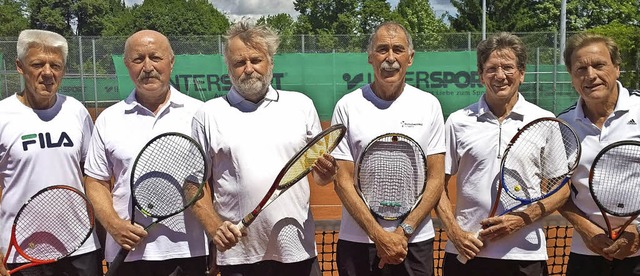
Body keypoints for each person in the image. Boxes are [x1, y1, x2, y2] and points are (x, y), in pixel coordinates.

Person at [189, 21, 337, 276]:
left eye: (256, 60)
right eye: (239, 62)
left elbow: (319, 178)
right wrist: (215, 228)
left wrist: (326, 172)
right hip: (239, 256)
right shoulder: (208, 114)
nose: (248, 69)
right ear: (229, 67)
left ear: (270, 61)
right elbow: (193, 183)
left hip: (298, 251)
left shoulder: (301, 106)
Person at [436, 32, 570, 276]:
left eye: (508, 67)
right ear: (480, 74)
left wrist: (522, 219)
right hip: (467, 252)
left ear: (521, 72)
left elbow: (562, 189)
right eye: (491, 68)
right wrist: (456, 234)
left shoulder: (545, 120)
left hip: (525, 256)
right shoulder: (457, 122)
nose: (500, 76)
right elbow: (437, 184)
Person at [84, 30, 209, 275]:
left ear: (171, 62)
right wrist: (114, 225)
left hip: (189, 251)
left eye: (156, 57)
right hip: (128, 253)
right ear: (127, 65)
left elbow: (212, 181)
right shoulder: (109, 118)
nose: (148, 66)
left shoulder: (201, 114)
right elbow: (96, 181)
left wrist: (216, 238)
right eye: (138, 59)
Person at [329, 22, 445, 276]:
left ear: (410, 58)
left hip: (414, 242)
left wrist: (404, 231)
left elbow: (436, 179)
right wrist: (377, 234)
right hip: (359, 243)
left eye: (398, 49)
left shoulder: (429, 105)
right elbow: (342, 181)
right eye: (382, 50)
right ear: (370, 57)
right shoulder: (347, 106)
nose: (390, 58)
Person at [0, 29, 102, 276]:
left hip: (80, 246)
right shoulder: (3, 114)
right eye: (37, 64)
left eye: (55, 65)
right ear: (20, 66)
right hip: (20, 250)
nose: (47, 73)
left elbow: (93, 176)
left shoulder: (76, 111)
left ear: (63, 70)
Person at [557, 33, 640, 276]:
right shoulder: (563, 124)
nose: (590, 75)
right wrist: (586, 229)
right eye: (580, 69)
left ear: (617, 68)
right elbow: (557, 191)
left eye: (599, 65)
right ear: (572, 77)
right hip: (586, 254)